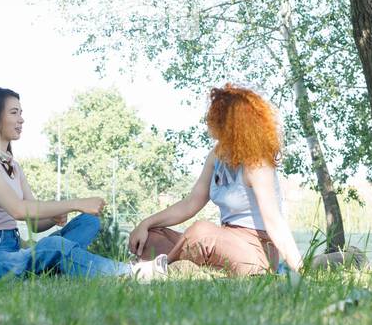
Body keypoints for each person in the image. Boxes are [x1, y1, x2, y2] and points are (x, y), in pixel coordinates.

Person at [0, 87, 163, 281]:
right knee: (55, 246)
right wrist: (75, 203)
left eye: (21, 112)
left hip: (13, 249)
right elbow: (19, 210)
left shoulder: (13, 166)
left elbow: (35, 223)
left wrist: (54, 218)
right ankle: (131, 272)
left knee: (89, 222)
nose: (21, 119)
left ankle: (55, 265)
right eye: (14, 112)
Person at [128, 83, 304, 278]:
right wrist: (145, 224)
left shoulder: (257, 163)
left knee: (201, 232)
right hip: (223, 241)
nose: (208, 121)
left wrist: (299, 269)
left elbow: (274, 221)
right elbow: (190, 204)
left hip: (256, 249)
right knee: (152, 237)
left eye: (215, 117)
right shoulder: (216, 155)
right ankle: (188, 269)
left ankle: (158, 269)